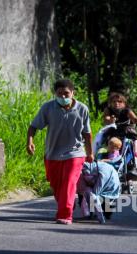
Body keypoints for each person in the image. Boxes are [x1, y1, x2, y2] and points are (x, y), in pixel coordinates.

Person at [27, 79, 93, 225]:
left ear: (72, 93)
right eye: (59, 94)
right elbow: (33, 126)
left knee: (69, 182)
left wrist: (90, 153)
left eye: (66, 93)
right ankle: (66, 203)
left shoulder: (82, 109)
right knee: (57, 185)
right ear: (55, 94)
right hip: (52, 154)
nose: (63, 97)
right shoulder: (48, 108)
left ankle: (65, 213)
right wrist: (30, 142)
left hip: (75, 153)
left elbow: (87, 133)